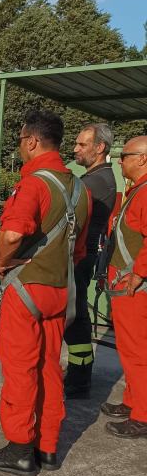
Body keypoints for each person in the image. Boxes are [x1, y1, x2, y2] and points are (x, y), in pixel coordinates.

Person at [0, 110, 90, 476]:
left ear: (31, 141)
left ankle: (20, 449)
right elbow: (78, 250)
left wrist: (1, 261)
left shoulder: (32, 184)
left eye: (21, 141)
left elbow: (12, 235)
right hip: (61, 289)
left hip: (26, 289)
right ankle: (47, 447)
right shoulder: (80, 189)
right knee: (49, 367)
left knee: (20, 367)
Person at [64, 123, 117, 398]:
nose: (75, 149)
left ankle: (79, 377)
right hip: (83, 256)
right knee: (76, 315)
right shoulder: (97, 177)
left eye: (82, 144)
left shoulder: (94, 182)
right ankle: (78, 373)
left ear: (100, 148)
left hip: (80, 257)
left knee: (74, 317)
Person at [99, 136, 147, 438]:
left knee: (138, 351)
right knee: (129, 349)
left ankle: (142, 415)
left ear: (142, 158)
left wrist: (138, 275)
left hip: (135, 290)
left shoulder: (145, 195)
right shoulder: (137, 191)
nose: (120, 160)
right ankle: (133, 401)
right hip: (127, 287)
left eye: (125, 155)